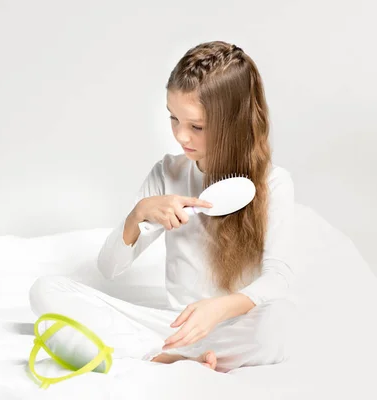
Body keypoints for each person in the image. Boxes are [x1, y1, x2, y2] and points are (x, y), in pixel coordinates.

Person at [29, 40, 296, 373]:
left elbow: (279, 278)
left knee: (281, 322)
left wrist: (218, 309)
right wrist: (138, 214)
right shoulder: (167, 173)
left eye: (196, 126)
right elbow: (109, 268)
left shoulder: (273, 183)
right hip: (171, 326)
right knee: (46, 290)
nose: (181, 137)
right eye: (174, 120)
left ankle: (167, 354)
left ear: (233, 122)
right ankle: (183, 356)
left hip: (232, 323)